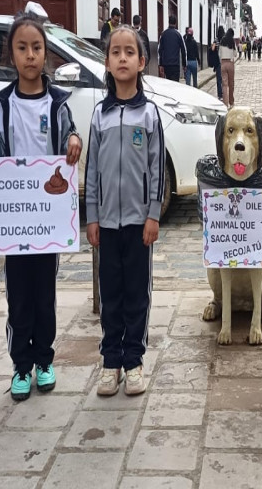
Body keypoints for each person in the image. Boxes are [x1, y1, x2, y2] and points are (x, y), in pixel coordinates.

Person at [0, 13, 83, 401]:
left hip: (47, 223)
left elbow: (70, 133)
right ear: (12, 55)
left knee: (44, 294)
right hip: (14, 224)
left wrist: (73, 140)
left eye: (37, 48)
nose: (30, 56)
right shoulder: (3, 105)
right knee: (17, 295)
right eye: (22, 48)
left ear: (46, 54)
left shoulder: (57, 103)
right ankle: (20, 365)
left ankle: (45, 360)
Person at [86, 25, 164, 397]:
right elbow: (91, 171)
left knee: (137, 294)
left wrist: (153, 215)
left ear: (141, 62)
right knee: (111, 294)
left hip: (137, 226)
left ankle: (133, 360)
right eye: (115, 52)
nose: (121, 58)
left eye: (128, 52)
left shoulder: (149, 115)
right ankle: (110, 362)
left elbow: (157, 170)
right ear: (106, 61)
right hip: (107, 224)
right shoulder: (98, 116)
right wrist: (92, 216)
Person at [157, 14, 186, 82]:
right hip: (175, 65)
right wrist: (184, 64)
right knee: (175, 84)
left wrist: (160, 64)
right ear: (175, 23)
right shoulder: (178, 34)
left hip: (166, 65)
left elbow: (160, 50)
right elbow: (183, 50)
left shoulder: (163, 34)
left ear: (168, 22)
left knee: (168, 83)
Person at [219, 28, 237, 108]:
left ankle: (225, 104)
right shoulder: (232, 41)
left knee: (224, 85)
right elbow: (235, 54)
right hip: (230, 63)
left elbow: (219, 53)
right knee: (231, 84)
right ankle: (231, 102)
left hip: (223, 63)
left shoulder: (222, 41)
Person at [208, 26, 224, 101]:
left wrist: (213, 46)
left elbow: (213, 48)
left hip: (218, 62)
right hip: (224, 61)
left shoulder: (216, 39)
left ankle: (220, 95)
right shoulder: (225, 39)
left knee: (219, 79)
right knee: (224, 79)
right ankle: (224, 93)